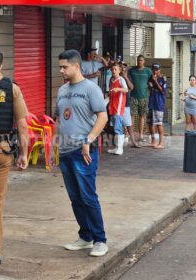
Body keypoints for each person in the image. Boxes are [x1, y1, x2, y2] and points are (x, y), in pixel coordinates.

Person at [55, 49, 108, 257]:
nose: (61, 70)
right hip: (66, 151)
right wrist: (53, 145)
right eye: (60, 66)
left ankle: (100, 240)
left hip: (83, 151)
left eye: (64, 67)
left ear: (76, 66)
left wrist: (89, 140)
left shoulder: (91, 89)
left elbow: (103, 117)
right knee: (75, 198)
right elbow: (60, 119)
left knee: (88, 196)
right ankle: (85, 237)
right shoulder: (61, 90)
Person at [0, 48, 29, 268]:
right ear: (1, 65)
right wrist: (23, 154)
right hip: (2, 149)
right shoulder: (12, 88)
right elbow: (23, 125)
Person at [129, 55, 152, 142]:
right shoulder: (132, 70)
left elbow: (151, 81)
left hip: (144, 97)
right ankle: (131, 135)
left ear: (144, 61)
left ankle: (141, 134)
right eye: (138, 60)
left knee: (142, 116)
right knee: (131, 116)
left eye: (141, 60)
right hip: (133, 96)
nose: (139, 62)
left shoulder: (148, 71)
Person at [107, 63, 129, 155]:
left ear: (119, 71)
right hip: (112, 106)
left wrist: (118, 89)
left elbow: (126, 89)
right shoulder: (111, 80)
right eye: (112, 69)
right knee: (114, 127)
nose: (114, 71)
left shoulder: (121, 79)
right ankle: (117, 147)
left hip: (118, 107)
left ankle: (120, 149)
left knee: (118, 128)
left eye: (116, 69)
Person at [120, 61, 141, 148]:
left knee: (129, 124)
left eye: (125, 66)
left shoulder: (127, 76)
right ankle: (118, 143)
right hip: (117, 104)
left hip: (126, 104)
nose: (123, 68)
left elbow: (132, 87)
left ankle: (133, 141)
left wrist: (125, 77)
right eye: (121, 66)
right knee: (117, 125)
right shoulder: (115, 77)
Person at [147, 63, 167, 148]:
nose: (154, 71)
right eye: (153, 69)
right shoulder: (151, 78)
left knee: (159, 123)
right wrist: (150, 86)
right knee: (150, 122)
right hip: (152, 103)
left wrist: (155, 81)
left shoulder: (163, 79)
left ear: (159, 70)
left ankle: (161, 143)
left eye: (156, 69)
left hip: (159, 104)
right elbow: (150, 89)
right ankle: (153, 141)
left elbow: (162, 91)